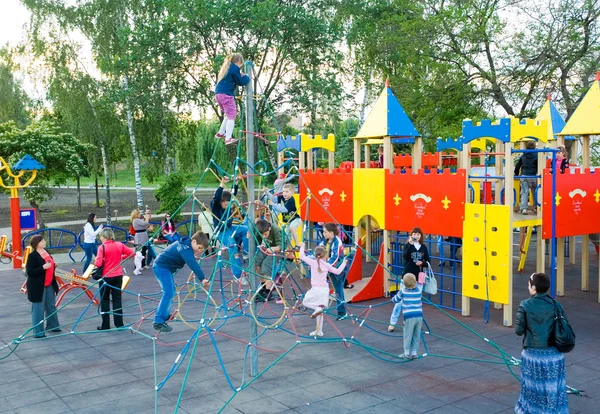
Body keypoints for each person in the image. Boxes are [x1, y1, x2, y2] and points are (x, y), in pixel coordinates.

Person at [514, 272, 569, 413]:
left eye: (528, 285)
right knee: (553, 390)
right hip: (554, 355)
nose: (528, 288)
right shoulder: (556, 304)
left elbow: (519, 330)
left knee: (533, 389)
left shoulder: (525, 305)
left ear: (534, 287)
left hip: (533, 354)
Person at [152, 232, 210, 332]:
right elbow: (192, 264)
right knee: (168, 293)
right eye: (199, 248)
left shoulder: (186, 243)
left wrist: (192, 256)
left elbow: (185, 254)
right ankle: (158, 322)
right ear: (194, 241)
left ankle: (164, 315)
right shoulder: (185, 248)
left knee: (171, 292)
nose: (200, 251)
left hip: (165, 267)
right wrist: (202, 278)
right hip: (161, 267)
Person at [299, 243, 348, 337]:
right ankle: (319, 331)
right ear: (325, 256)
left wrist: (302, 246)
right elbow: (338, 271)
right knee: (320, 311)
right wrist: (344, 263)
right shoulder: (326, 265)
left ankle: (316, 309)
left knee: (305, 302)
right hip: (324, 290)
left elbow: (301, 256)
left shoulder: (313, 262)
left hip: (316, 289)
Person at [389, 227, 430, 332]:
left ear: (421, 236)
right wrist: (410, 245)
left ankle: (412, 322)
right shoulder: (408, 245)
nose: (416, 236)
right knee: (401, 301)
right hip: (407, 276)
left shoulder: (423, 247)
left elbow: (428, 261)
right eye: (414, 234)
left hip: (418, 277)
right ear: (411, 235)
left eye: (418, 234)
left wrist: (423, 263)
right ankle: (392, 323)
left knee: (416, 301)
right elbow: (405, 257)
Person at [94, 228, 135, 330]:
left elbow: (98, 264)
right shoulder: (119, 245)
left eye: (101, 236)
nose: (100, 238)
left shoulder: (102, 248)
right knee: (117, 300)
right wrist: (121, 257)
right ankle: (119, 324)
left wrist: (97, 260)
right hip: (117, 276)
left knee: (105, 301)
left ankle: (106, 325)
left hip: (106, 277)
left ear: (105, 237)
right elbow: (132, 253)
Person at [211, 176, 247, 279]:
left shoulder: (228, 204)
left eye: (229, 204)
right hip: (221, 232)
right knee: (232, 246)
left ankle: (246, 252)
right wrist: (222, 184)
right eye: (226, 204)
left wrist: (236, 182)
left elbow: (233, 194)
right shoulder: (216, 207)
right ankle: (237, 275)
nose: (228, 206)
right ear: (221, 202)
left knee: (246, 229)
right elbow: (217, 197)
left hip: (230, 228)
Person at [25, 235, 61, 338]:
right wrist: (43, 267)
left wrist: (54, 265)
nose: (44, 242)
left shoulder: (46, 252)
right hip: (37, 286)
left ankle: (53, 326)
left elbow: (50, 264)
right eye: (42, 241)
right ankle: (38, 332)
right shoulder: (33, 256)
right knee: (38, 309)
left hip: (49, 283)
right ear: (37, 244)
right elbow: (30, 272)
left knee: (51, 305)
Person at [214, 53, 250, 144]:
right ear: (239, 62)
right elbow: (241, 81)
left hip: (218, 94)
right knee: (232, 116)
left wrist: (239, 74)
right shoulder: (235, 68)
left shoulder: (227, 68)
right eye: (240, 65)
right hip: (226, 95)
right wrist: (247, 77)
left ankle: (221, 133)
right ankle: (228, 138)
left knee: (228, 114)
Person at [320, 222, 353, 320]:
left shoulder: (337, 242)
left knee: (338, 290)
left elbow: (336, 257)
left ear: (331, 233)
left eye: (325, 232)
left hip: (337, 269)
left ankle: (342, 312)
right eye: (323, 232)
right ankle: (319, 306)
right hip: (328, 268)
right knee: (320, 285)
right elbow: (319, 250)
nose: (323, 234)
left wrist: (325, 266)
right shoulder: (325, 241)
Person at [390, 273, 424, 359]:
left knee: (408, 334)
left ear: (404, 284)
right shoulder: (419, 291)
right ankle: (414, 353)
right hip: (419, 315)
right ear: (415, 282)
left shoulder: (403, 291)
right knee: (416, 334)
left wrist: (392, 299)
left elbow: (396, 300)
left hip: (409, 316)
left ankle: (406, 353)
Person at [251, 219, 284, 302]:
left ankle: (268, 292)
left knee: (266, 267)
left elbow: (282, 246)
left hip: (277, 250)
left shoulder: (275, 230)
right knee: (256, 263)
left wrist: (274, 248)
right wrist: (250, 234)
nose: (264, 237)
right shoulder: (260, 230)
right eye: (262, 235)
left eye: (265, 234)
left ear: (269, 229)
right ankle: (263, 286)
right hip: (267, 248)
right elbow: (256, 240)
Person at [268, 183, 302, 248]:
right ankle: (290, 251)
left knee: (292, 228)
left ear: (292, 193)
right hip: (288, 222)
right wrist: (267, 192)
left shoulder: (291, 201)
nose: (284, 193)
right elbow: (274, 198)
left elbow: (283, 209)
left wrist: (273, 205)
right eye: (283, 191)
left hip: (295, 219)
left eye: (287, 192)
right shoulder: (282, 198)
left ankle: (298, 244)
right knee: (286, 238)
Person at [514, 140, 538, 215]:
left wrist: (516, 173)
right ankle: (536, 207)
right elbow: (538, 165)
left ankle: (524, 208)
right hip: (533, 176)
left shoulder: (523, 155)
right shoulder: (536, 155)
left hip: (524, 175)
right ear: (534, 147)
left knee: (524, 192)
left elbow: (518, 165)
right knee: (535, 192)